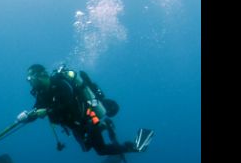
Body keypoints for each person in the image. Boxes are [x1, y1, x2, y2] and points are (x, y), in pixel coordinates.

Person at [17, 64, 154, 156]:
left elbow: (68, 104)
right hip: (75, 124)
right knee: (86, 148)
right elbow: (37, 109)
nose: (29, 81)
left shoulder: (60, 84)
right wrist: (27, 116)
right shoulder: (41, 92)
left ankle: (134, 147)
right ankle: (105, 125)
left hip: (88, 117)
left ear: (40, 75)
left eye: (30, 78)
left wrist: (47, 111)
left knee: (101, 150)